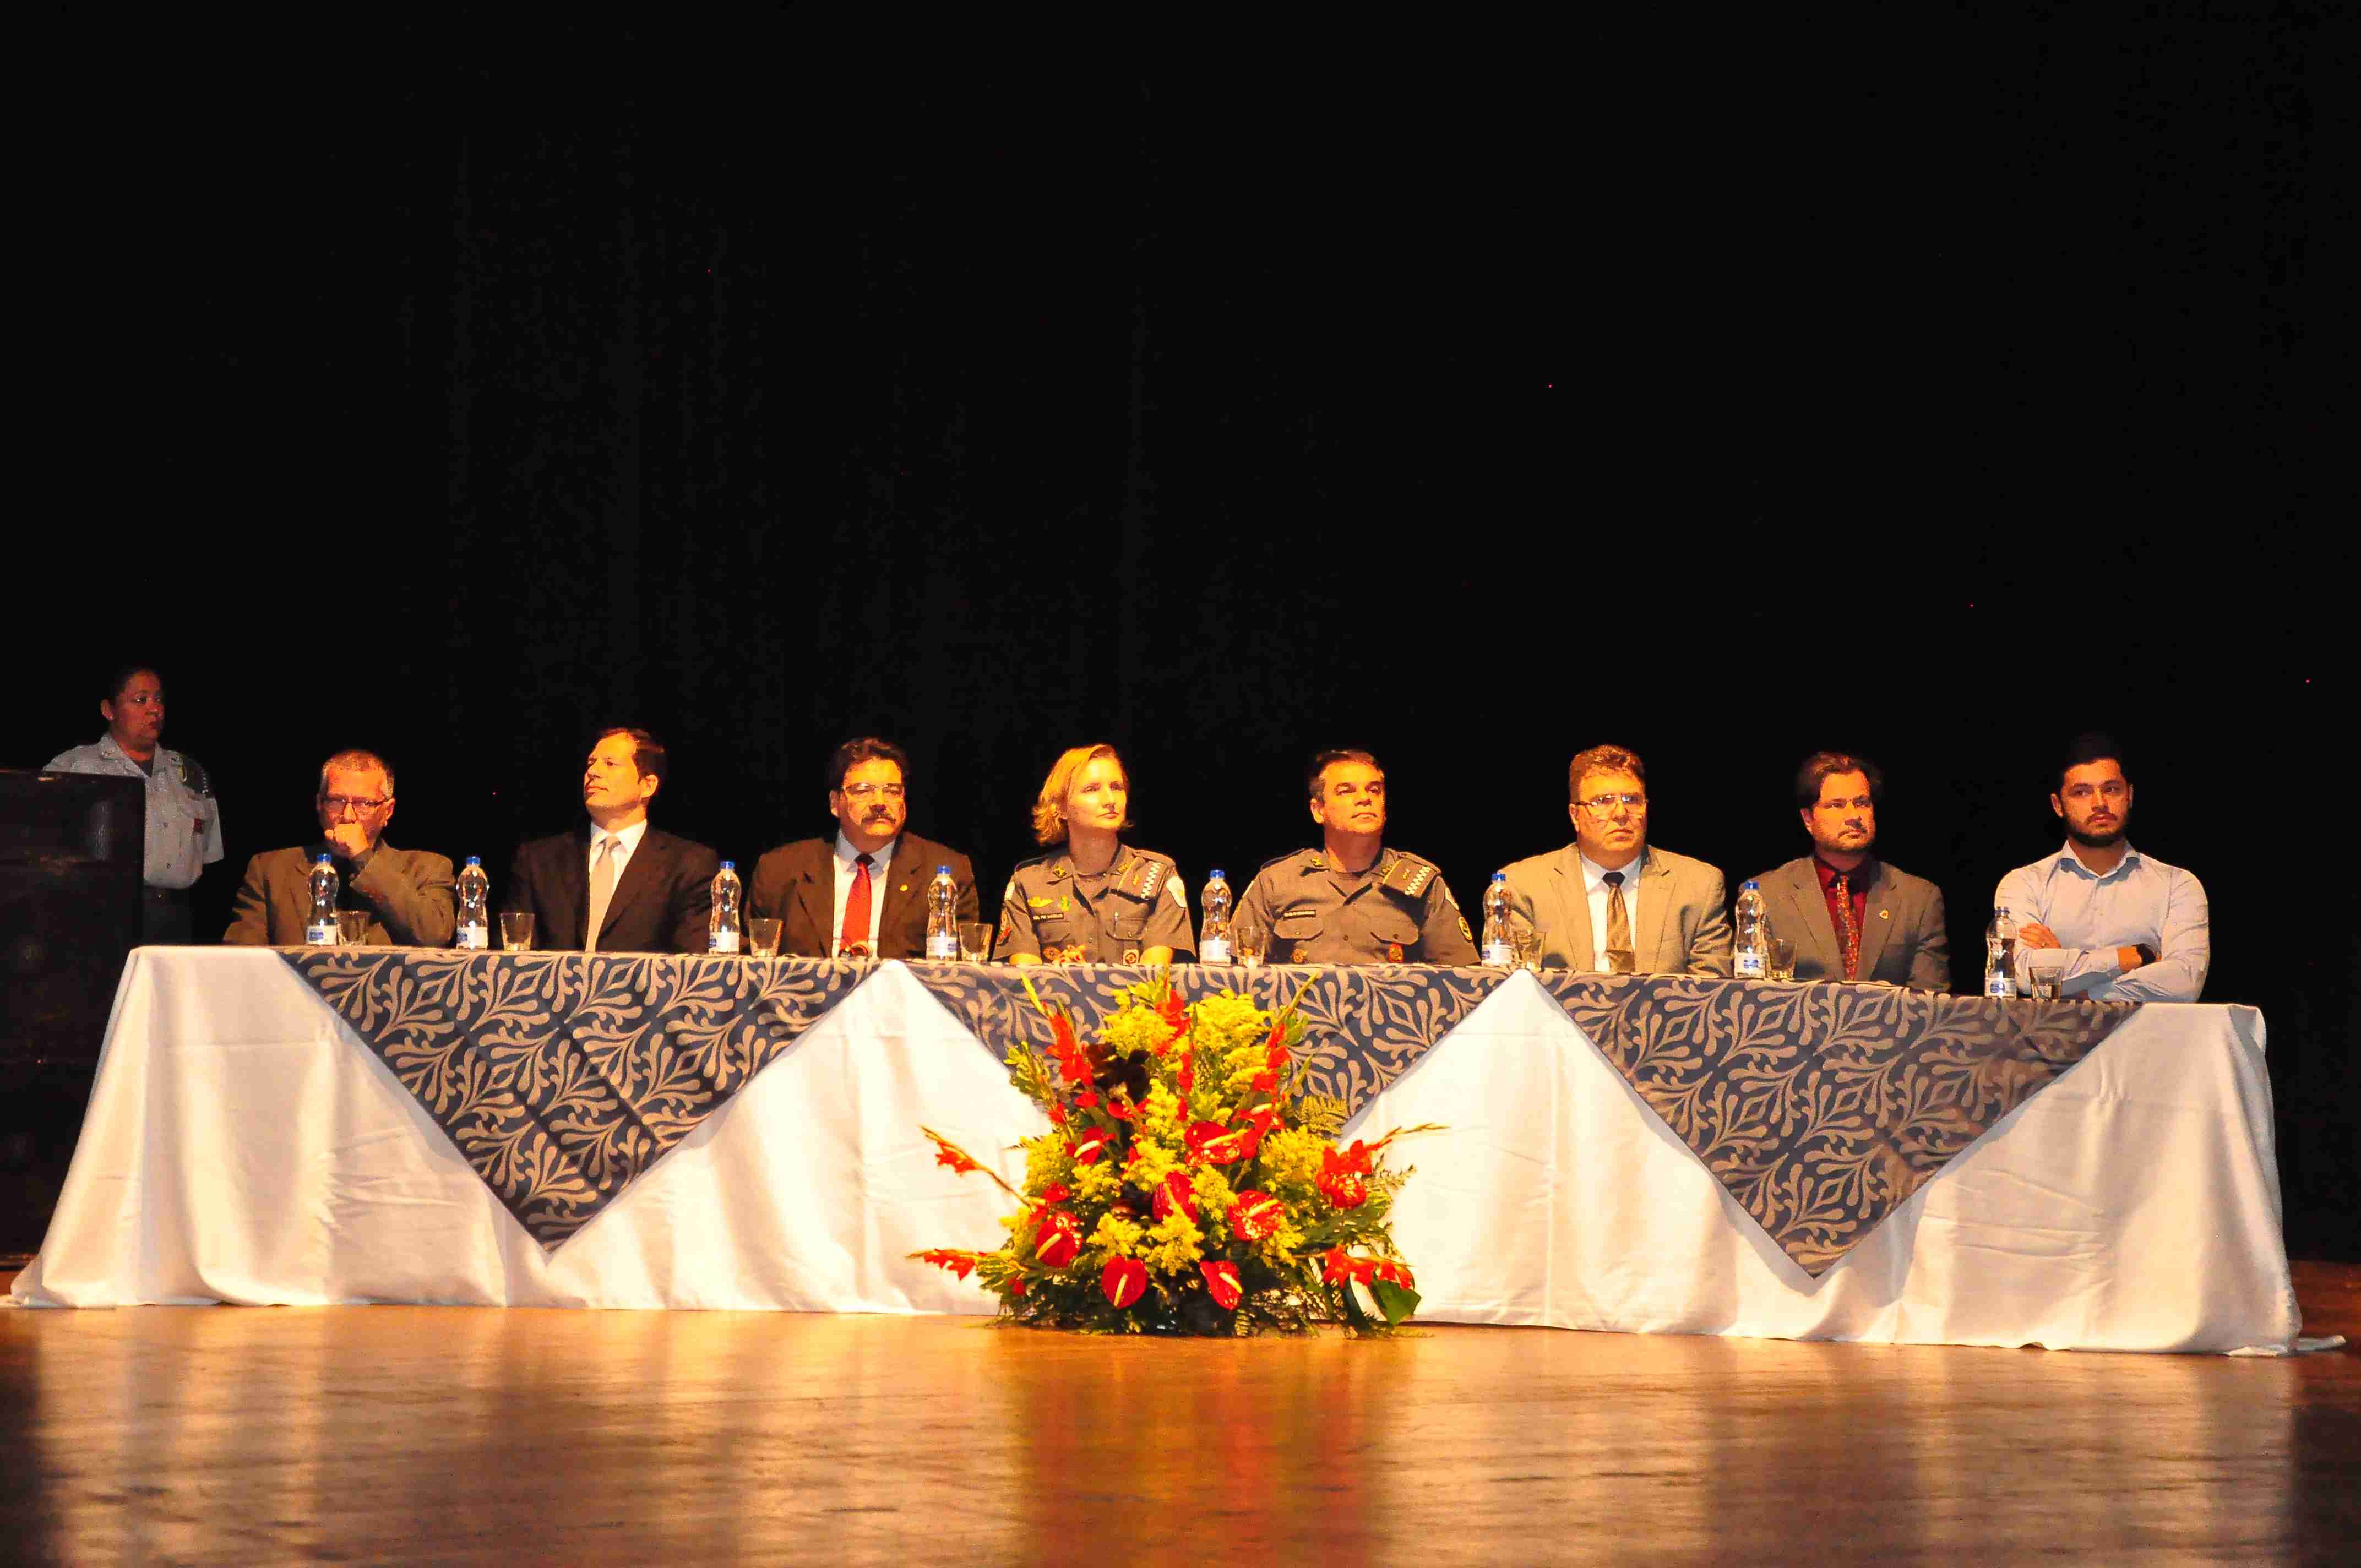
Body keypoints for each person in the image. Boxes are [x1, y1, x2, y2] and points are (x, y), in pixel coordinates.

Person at [1995, 733, 2208, 1001]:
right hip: (2054, 1042)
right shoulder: (2024, 883)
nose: (2099, 803)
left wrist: (2073, 980)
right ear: (2058, 805)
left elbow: (2185, 983)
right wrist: (2133, 958)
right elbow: (2023, 975)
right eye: (2081, 792)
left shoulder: (2178, 885)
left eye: (2111, 789)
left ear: (2130, 796)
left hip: (2152, 1041)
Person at [1499, 744, 1732, 976]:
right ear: (1575, 815)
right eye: (1602, 801)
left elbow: (1711, 993)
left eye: (1632, 800)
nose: (1621, 814)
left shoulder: (1699, 886)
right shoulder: (1523, 886)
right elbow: (1513, 988)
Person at [1235, 749, 1477, 965]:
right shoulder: (1277, 882)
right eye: (1345, 791)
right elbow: (1234, 975)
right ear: (1319, 811)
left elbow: (1462, 981)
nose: (1365, 798)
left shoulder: (1421, 883)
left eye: (1374, 790)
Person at [748, 737, 980, 959]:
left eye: (892, 791)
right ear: (835, 803)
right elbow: (746, 968)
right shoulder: (779, 871)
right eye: (863, 790)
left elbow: (962, 976)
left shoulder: (947, 872)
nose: (880, 802)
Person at [47, 664, 223, 943]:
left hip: (175, 921)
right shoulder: (74, 768)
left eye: (159, 699)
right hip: (99, 919)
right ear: (109, 710)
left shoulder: (190, 773)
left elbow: (209, 856)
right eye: (141, 700)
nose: (155, 710)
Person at [505, 727, 722, 953]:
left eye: (610, 764)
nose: (594, 772)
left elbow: (692, 964)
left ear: (647, 785)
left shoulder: (689, 864)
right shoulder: (538, 860)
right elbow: (515, 960)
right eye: (591, 763)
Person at [1747, 752, 1950, 989]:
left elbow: (1930, 1007)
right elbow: (1752, 999)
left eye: (1862, 803)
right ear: (1808, 819)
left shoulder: (1919, 899)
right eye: (1837, 805)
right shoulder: (1766, 895)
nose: (1854, 816)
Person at [222, 750, 455, 946]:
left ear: (388, 811)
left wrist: (363, 857)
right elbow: (241, 960)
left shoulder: (428, 868)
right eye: (337, 801)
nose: (348, 816)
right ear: (319, 804)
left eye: (364, 804)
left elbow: (434, 935)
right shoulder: (270, 870)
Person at [996, 744, 1192, 965]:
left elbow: (1154, 980)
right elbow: (1024, 981)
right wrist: (1058, 974)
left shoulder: (1157, 875)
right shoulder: (1029, 882)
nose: (1110, 800)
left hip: (1133, 1000)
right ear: (1060, 808)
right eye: (1092, 789)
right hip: (1053, 1000)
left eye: (1117, 787)